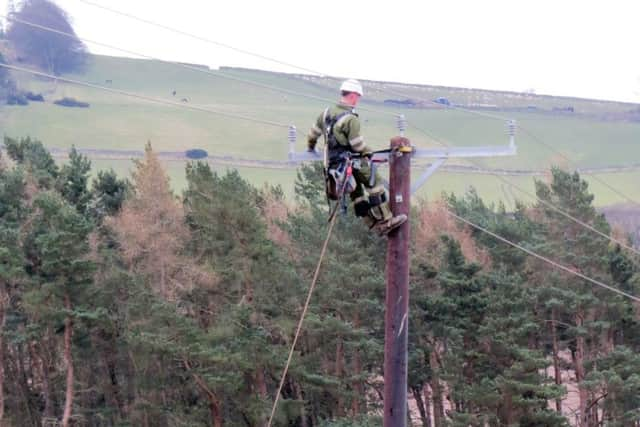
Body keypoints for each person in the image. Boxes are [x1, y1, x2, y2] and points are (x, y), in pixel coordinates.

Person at [306, 79, 407, 235]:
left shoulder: (326, 113)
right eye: (358, 96)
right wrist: (368, 151)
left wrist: (311, 147)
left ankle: (372, 224)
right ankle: (386, 220)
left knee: (356, 193)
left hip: (333, 165)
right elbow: (357, 144)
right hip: (350, 161)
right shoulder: (351, 118)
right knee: (374, 184)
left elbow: (313, 134)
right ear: (353, 95)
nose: (358, 100)